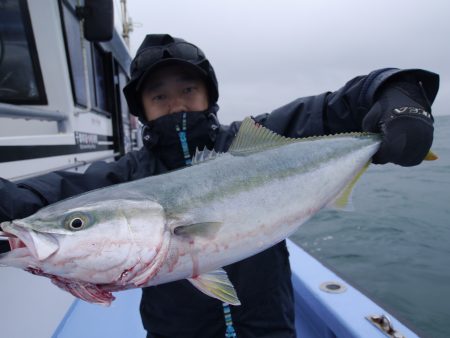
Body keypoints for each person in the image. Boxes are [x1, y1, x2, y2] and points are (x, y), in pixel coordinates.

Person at [0, 34, 439, 338]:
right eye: (158, 96)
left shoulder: (258, 140)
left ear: (209, 94)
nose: (176, 103)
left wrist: (399, 92)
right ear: (141, 111)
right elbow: (46, 194)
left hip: (269, 327)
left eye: (188, 88)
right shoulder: (128, 176)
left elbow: (340, 105)